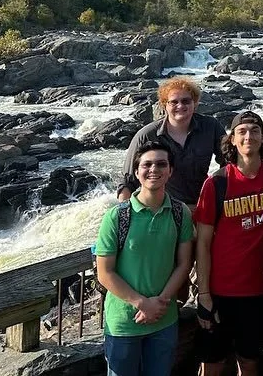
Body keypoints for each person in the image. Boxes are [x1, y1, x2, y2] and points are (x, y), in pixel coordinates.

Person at [194, 110, 263, 376]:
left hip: (260, 290)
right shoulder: (216, 183)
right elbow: (202, 243)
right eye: (242, 132)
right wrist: (203, 294)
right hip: (219, 291)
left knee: (249, 361)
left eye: (254, 131)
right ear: (233, 140)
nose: (248, 136)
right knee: (212, 363)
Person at [95, 140, 194, 376]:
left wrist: (160, 302)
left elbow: (184, 264)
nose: (154, 170)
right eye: (147, 164)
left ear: (170, 171)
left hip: (164, 318)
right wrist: (142, 304)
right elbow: (104, 272)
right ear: (137, 172)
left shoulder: (181, 213)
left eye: (161, 164)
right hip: (123, 322)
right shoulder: (117, 217)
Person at [117, 76, 224, 206]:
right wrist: (123, 215)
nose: (180, 106)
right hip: (162, 209)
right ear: (164, 105)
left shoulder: (211, 127)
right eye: (174, 102)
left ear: (195, 103)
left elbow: (230, 163)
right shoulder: (147, 135)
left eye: (186, 101)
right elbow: (127, 181)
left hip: (202, 206)